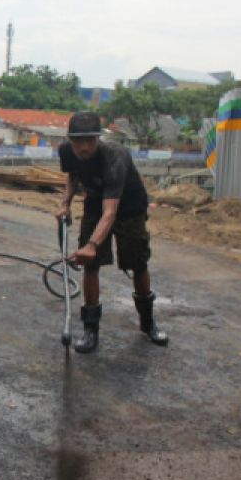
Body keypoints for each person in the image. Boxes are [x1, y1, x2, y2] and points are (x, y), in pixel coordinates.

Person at [56, 111, 169, 353]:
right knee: (91, 265)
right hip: (96, 203)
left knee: (136, 263)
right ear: (70, 139)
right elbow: (73, 175)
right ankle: (90, 329)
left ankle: (148, 324)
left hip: (128, 206)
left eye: (90, 140)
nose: (84, 147)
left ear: (97, 139)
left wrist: (92, 245)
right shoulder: (66, 151)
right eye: (79, 141)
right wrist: (65, 203)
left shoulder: (115, 156)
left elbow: (111, 212)